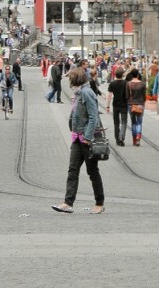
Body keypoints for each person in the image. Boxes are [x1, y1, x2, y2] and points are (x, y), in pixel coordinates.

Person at [51, 67, 105, 214]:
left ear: (76, 79)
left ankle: (99, 202)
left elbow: (94, 116)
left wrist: (88, 137)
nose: (69, 80)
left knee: (92, 171)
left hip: (86, 139)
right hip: (77, 138)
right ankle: (68, 203)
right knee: (72, 170)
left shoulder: (87, 93)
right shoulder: (79, 92)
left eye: (71, 78)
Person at [106, 67, 128, 146]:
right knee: (124, 122)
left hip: (115, 105)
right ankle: (121, 137)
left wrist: (107, 106)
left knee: (116, 123)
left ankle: (117, 139)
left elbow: (109, 96)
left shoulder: (112, 83)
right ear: (122, 75)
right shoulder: (126, 83)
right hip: (124, 105)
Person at [126, 68, 146, 146]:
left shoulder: (128, 84)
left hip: (131, 105)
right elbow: (144, 95)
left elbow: (127, 96)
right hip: (140, 104)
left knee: (133, 122)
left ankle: (134, 140)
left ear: (131, 75)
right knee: (139, 122)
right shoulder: (142, 84)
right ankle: (138, 136)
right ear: (138, 75)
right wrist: (143, 102)